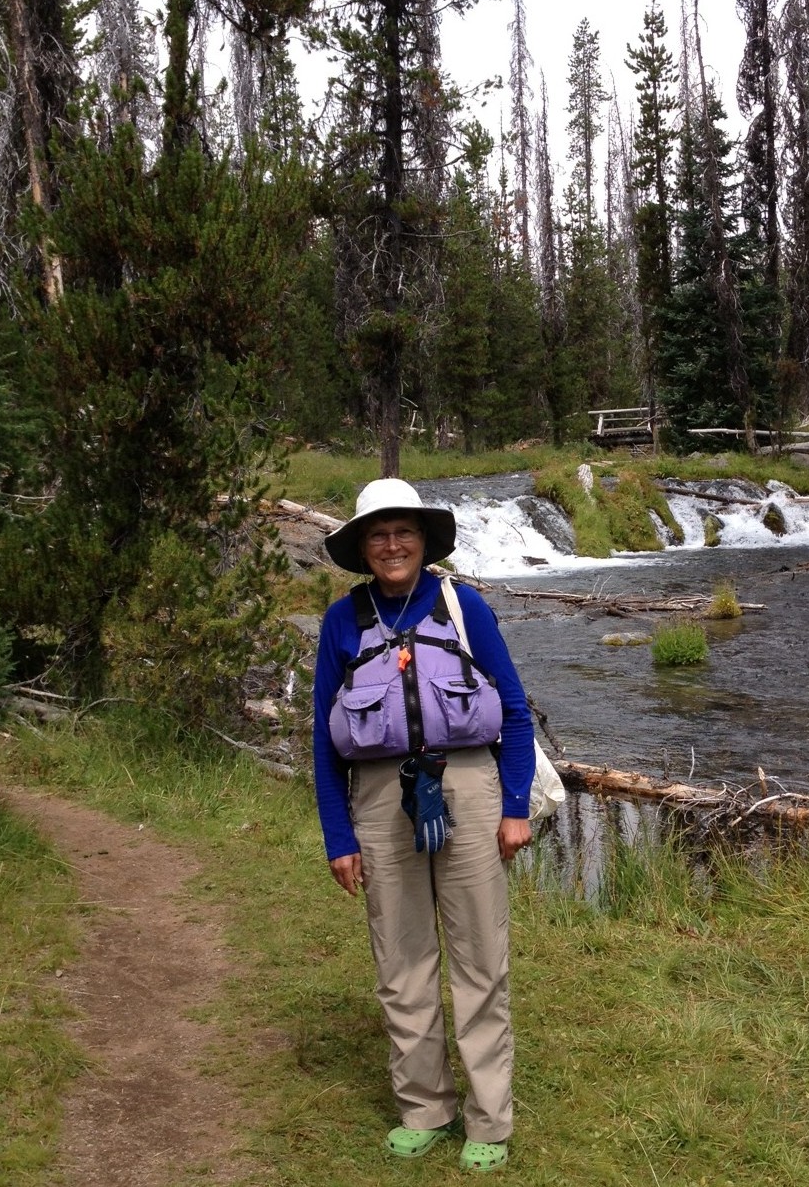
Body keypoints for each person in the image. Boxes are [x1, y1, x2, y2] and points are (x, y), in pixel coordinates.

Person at [312, 477, 536, 1173]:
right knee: (401, 962)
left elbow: (518, 713)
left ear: (422, 538)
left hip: (468, 786)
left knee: (478, 960)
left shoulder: (464, 607)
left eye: (402, 531)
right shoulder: (342, 622)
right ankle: (425, 1106)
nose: (391, 545)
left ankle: (489, 1120)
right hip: (379, 801)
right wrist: (339, 838)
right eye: (377, 535)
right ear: (362, 547)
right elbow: (321, 743)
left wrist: (516, 805)